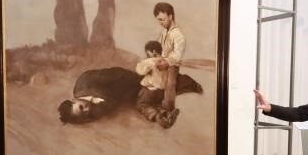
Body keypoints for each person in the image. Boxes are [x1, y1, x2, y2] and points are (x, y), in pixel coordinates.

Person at [58, 67, 202, 124]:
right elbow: (110, 105)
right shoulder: (94, 113)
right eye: (83, 115)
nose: (87, 110)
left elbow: (117, 73)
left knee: (159, 87)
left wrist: (141, 81)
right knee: (143, 105)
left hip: (133, 80)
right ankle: (160, 117)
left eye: (81, 107)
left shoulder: (86, 81)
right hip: (132, 96)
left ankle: (190, 84)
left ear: (74, 100)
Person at [135, 40, 179, 129]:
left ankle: (156, 117)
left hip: (149, 90)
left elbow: (140, 71)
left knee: (142, 105)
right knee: (156, 105)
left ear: (153, 51)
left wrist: (144, 64)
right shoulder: (166, 62)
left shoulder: (150, 61)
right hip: (161, 92)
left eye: (148, 53)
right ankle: (167, 114)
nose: (147, 55)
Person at [153, 2, 186, 112]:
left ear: (170, 16)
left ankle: (168, 109)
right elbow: (158, 46)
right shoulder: (163, 33)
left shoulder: (178, 35)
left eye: (162, 19)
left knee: (170, 83)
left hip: (172, 65)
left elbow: (177, 55)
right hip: (161, 61)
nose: (160, 23)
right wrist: (155, 54)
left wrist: (166, 62)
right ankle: (153, 103)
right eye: (158, 20)